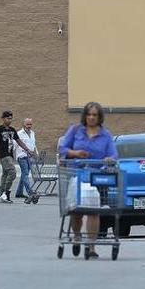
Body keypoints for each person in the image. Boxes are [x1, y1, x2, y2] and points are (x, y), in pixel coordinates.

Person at [58, 102, 118, 260]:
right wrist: (75, 153)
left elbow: (114, 155)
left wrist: (109, 159)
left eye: (94, 115)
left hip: (96, 177)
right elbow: (62, 149)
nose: (91, 118)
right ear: (84, 116)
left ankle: (91, 246)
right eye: (89, 114)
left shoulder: (106, 135)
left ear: (99, 117)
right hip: (76, 175)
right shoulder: (76, 131)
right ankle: (77, 236)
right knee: (77, 212)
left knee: (93, 211)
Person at [0, 110, 33, 203]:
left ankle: (2, 195)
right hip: (3, 155)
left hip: (10, 155)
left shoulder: (12, 130)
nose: (9, 120)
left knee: (5, 174)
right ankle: (5, 194)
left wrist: (28, 150)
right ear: (3, 119)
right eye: (7, 118)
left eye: (11, 118)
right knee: (12, 172)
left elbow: (19, 141)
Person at [14, 117, 38, 203]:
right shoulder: (19, 133)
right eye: (27, 124)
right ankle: (30, 192)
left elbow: (33, 144)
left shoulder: (32, 133)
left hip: (30, 157)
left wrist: (36, 154)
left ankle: (19, 192)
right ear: (24, 124)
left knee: (24, 174)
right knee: (25, 174)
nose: (29, 126)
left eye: (30, 124)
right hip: (22, 156)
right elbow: (15, 144)